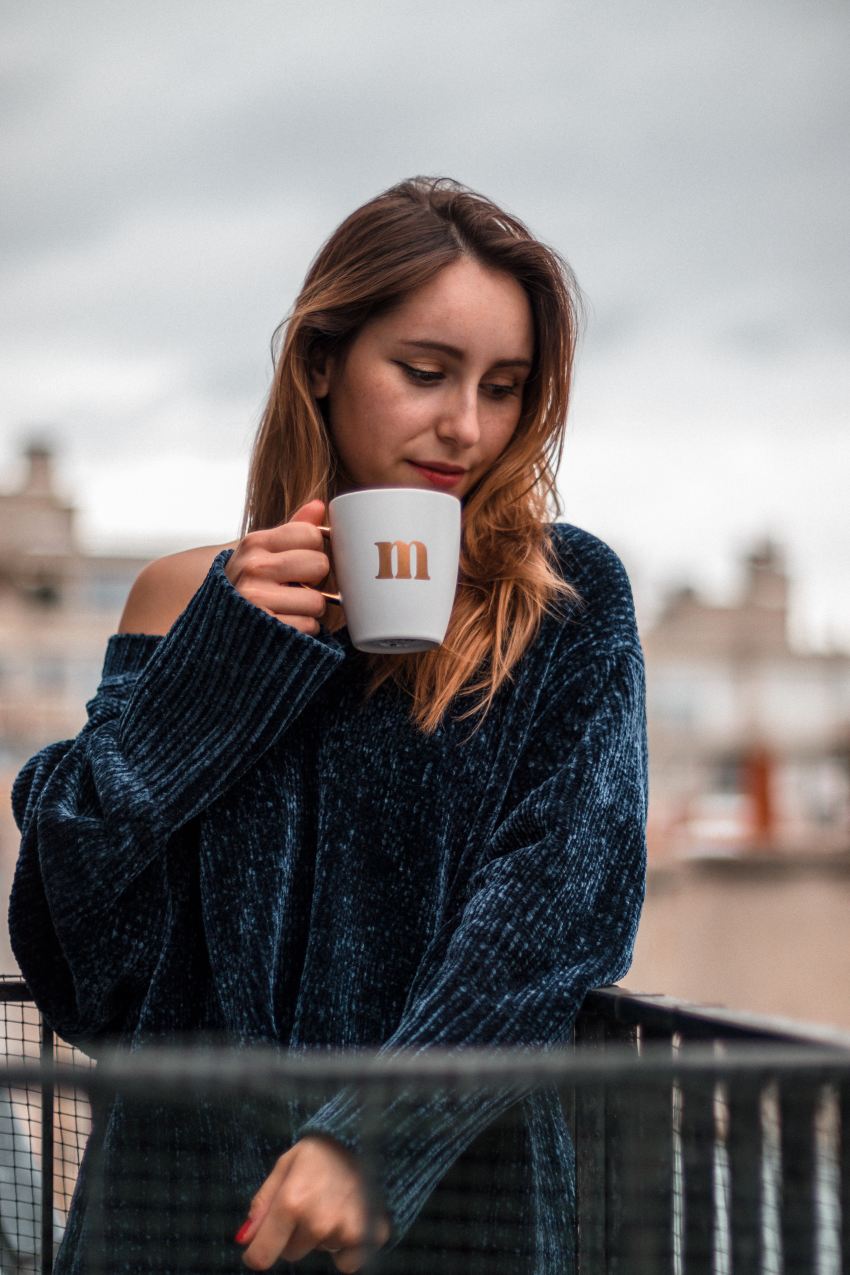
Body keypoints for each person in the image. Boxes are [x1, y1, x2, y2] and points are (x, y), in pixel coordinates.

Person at [9, 176, 648, 1274]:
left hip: (453, 1214)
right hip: (173, 1218)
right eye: (424, 372)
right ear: (320, 363)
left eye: (505, 387)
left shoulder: (563, 602)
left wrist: (372, 1139)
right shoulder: (182, 600)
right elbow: (83, 968)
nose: (465, 426)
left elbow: (556, 909)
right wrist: (218, 670)